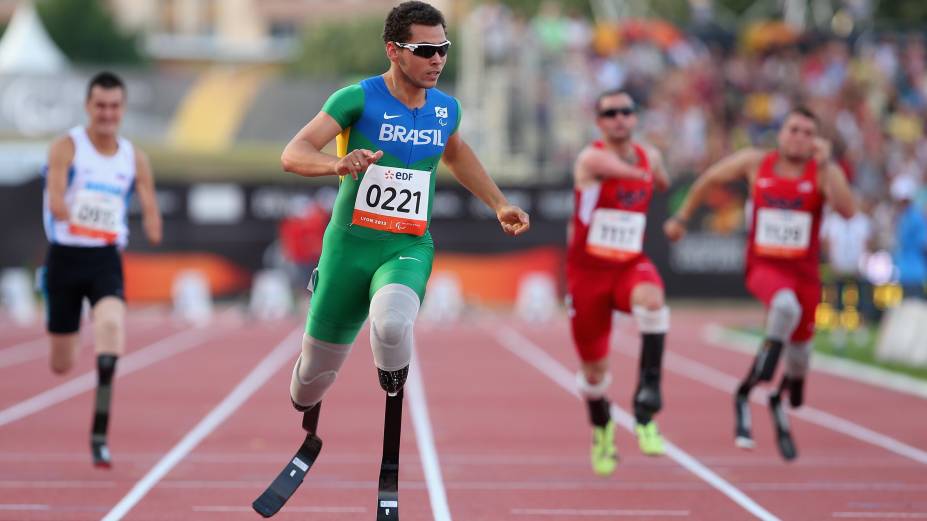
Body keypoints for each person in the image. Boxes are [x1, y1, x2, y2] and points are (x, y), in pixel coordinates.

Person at [251, 2, 530, 517]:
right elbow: (293, 152)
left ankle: (392, 377)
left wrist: (499, 202)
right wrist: (338, 162)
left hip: (406, 245)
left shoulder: (445, 108)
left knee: (393, 326)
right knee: (310, 379)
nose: (437, 59)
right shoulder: (357, 99)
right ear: (394, 51)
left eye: (443, 48)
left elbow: (456, 152)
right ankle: (312, 390)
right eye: (425, 50)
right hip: (348, 249)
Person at [664, 107, 856, 461]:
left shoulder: (821, 172)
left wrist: (829, 166)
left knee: (801, 358)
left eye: (807, 132)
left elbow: (847, 210)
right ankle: (754, 382)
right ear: (780, 133)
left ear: (815, 140)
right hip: (765, 266)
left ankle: (784, 388)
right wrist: (682, 216)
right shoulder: (756, 163)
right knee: (784, 307)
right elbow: (708, 179)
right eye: (793, 129)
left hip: (806, 275)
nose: (799, 137)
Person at [42, 71, 162, 467]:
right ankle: (69, 328)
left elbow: (148, 201)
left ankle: (99, 433)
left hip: (104, 258)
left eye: (114, 107)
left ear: (122, 110)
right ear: (88, 107)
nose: (107, 114)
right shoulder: (67, 147)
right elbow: (56, 195)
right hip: (65, 256)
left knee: (112, 325)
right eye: (100, 106)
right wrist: (68, 209)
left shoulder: (134, 157)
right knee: (61, 364)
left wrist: (151, 222)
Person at [566, 90, 672, 477]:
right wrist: (648, 170)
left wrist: (657, 171)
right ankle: (602, 428)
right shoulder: (591, 158)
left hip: (629, 265)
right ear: (600, 122)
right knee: (593, 374)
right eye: (610, 113)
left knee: (653, 301)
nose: (619, 119)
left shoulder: (650, 156)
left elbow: (662, 181)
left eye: (626, 111)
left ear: (635, 117)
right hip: (588, 274)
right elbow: (626, 171)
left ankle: (646, 407)